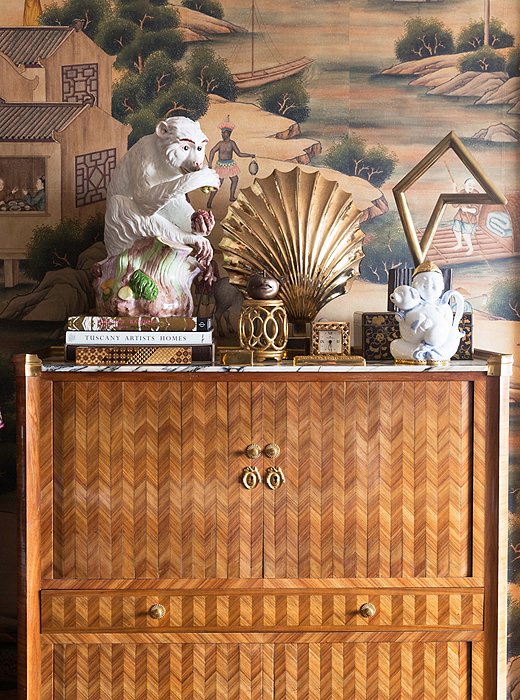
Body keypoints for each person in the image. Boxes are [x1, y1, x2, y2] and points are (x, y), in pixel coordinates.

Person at [207, 116, 255, 207]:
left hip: (230, 164)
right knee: (218, 184)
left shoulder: (232, 143)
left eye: (224, 133)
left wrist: (250, 155)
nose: (222, 134)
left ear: (228, 133)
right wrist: (210, 162)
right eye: (222, 133)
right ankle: (209, 201)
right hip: (221, 165)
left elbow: (239, 154)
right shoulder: (220, 143)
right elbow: (212, 151)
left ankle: (231, 196)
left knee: (235, 179)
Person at [451, 177, 481, 256]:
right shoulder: (462, 192)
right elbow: (454, 204)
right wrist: (454, 189)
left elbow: (476, 210)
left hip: (470, 218)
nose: (471, 186)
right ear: (465, 185)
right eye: (469, 184)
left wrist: (467, 210)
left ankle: (471, 248)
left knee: (466, 234)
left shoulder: (476, 194)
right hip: (460, 216)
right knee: (456, 230)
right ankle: (459, 244)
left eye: (472, 185)